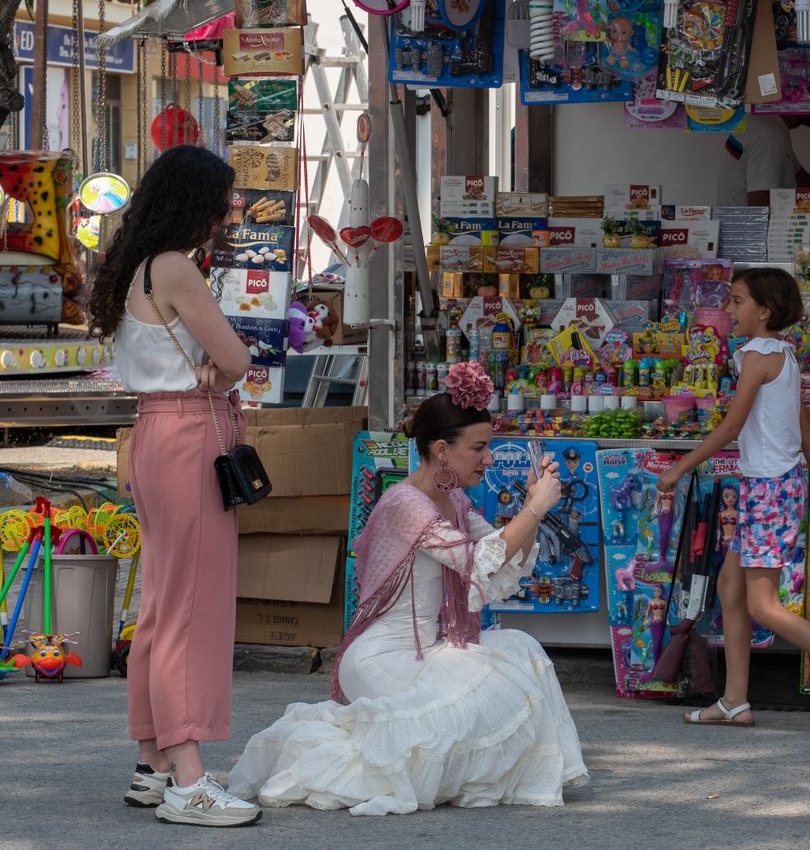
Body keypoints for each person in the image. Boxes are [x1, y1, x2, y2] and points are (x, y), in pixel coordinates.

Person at [227, 366, 588, 815]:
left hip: (426, 650)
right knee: (449, 721)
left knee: (519, 652)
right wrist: (534, 508)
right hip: (382, 657)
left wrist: (533, 509)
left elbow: (497, 563)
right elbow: (478, 561)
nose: (489, 459)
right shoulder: (405, 503)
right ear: (441, 450)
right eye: (479, 447)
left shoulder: (452, 497)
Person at [86, 146, 259, 826]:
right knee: (190, 609)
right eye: (222, 201)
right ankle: (189, 780)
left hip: (153, 436)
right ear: (196, 202)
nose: (225, 215)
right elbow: (236, 358)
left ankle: (153, 761)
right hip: (191, 435)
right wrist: (220, 376)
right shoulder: (178, 268)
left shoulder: (136, 264)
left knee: (161, 605)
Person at [657, 268, 810, 730]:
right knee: (729, 588)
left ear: (763, 311)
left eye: (736, 301)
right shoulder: (784, 354)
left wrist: (680, 467)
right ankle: (735, 701)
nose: (727, 311)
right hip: (777, 486)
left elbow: (730, 428)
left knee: (764, 605)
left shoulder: (756, 354)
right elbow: (805, 432)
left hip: (766, 489)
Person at [715, 114, 810, 207]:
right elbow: (759, 203)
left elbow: (802, 180)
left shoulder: (768, 124)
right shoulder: (770, 134)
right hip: (749, 234)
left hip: (739, 231)